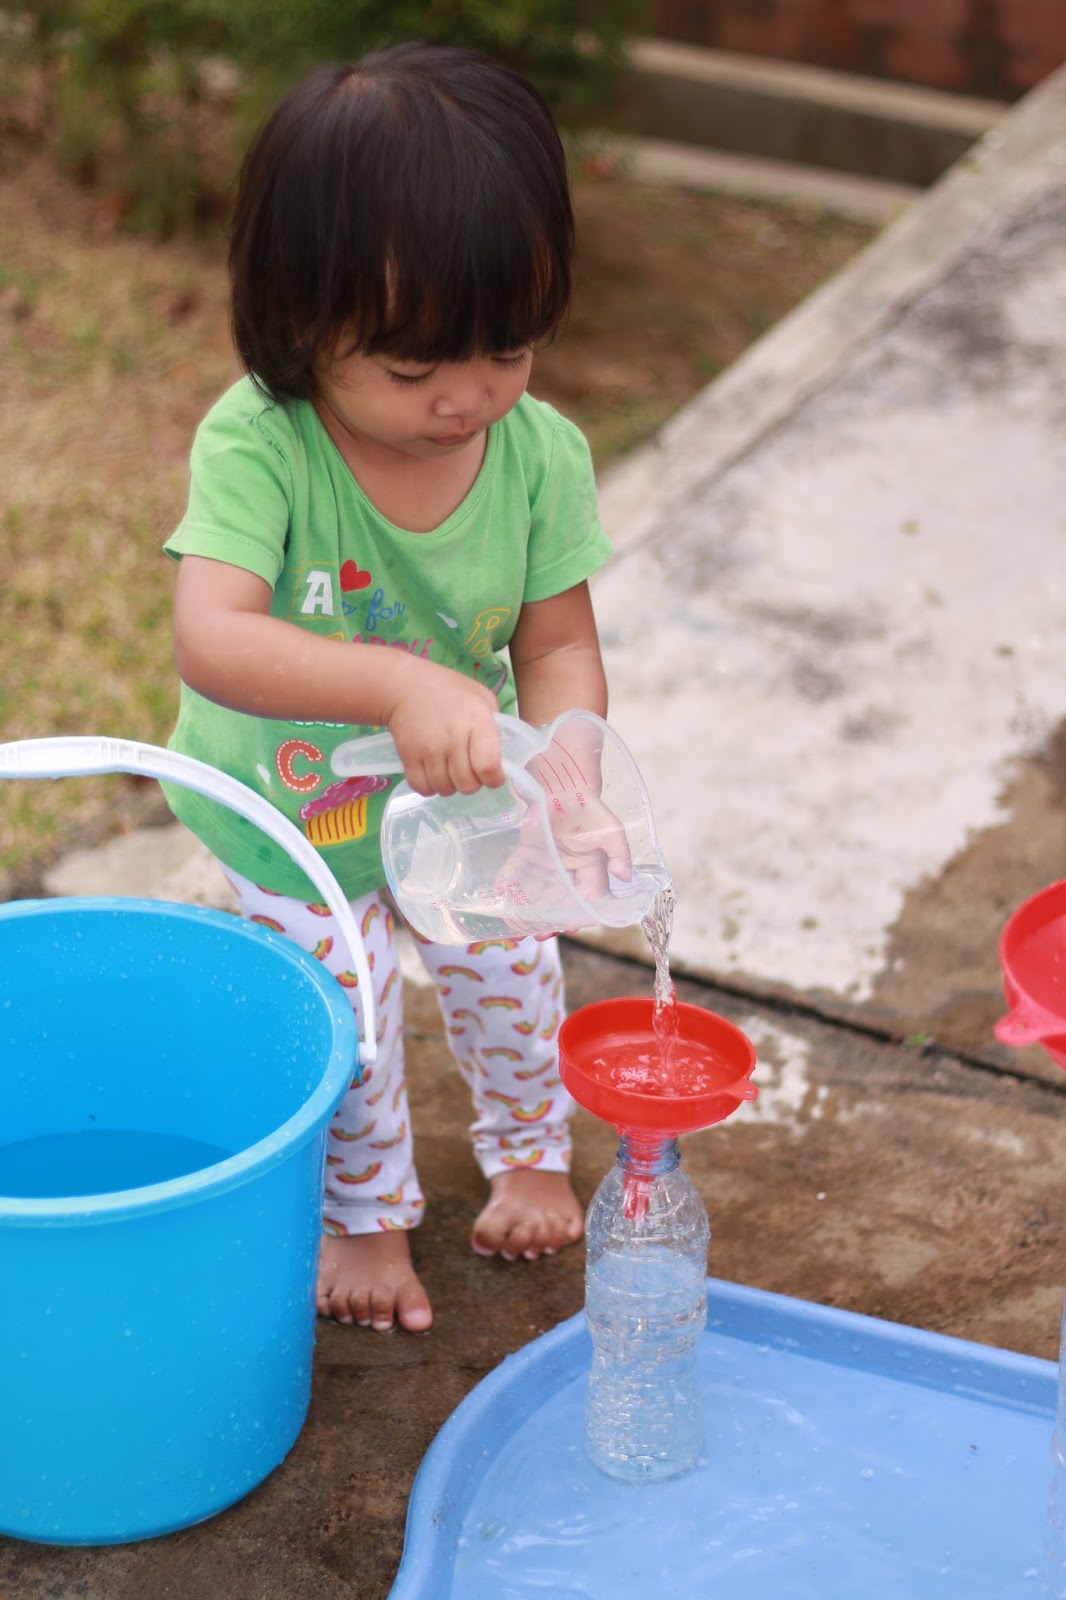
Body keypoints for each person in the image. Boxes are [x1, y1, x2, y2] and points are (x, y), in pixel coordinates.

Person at [163, 41, 615, 1334]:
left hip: (468, 799)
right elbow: (213, 635)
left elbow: (556, 646)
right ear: (302, 322)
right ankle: (364, 1220)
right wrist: (397, 683)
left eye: (509, 349)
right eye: (415, 371)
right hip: (290, 814)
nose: (467, 398)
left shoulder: (538, 457)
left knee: (515, 978)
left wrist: (571, 766)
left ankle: (528, 1151)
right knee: (345, 1023)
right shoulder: (262, 445)